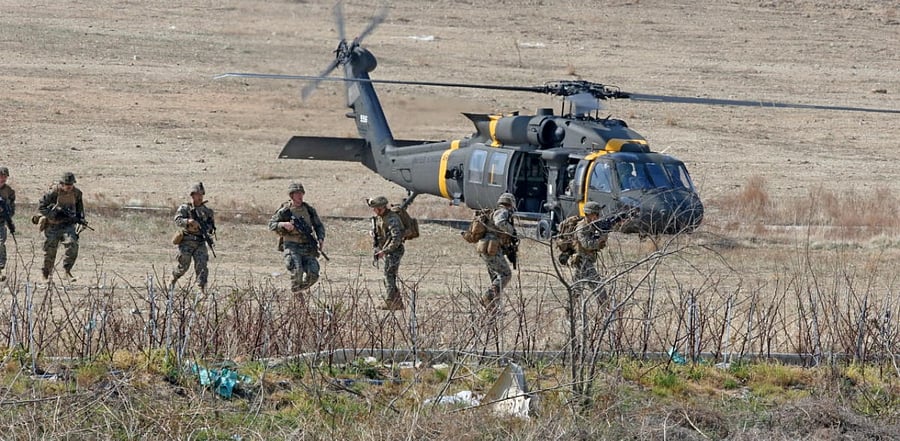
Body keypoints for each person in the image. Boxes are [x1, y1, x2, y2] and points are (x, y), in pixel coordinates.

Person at [269, 182, 325, 294]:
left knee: (313, 274)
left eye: (301, 193)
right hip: (292, 245)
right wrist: (283, 225)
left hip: (307, 246)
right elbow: (271, 224)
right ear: (291, 195)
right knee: (297, 271)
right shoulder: (285, 211)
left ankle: (298, 291)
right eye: (297, 194)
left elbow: (318, 226)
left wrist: (320, 238)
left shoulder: (309, 210)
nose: (300, 196)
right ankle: (297, 297)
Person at [38, 171, 84, 282]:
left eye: (71, 184)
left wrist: (80, 219)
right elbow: (41, 206)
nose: (69, 187)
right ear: (61, 184)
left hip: (68, 225)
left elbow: (80, 209)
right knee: (50, 250)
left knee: (72, 245)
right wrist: (53, 214)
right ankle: (45, 274)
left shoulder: (77, 193)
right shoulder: (53, 192)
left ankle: (67, 271)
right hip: (53, 225)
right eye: (67, 184)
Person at [171, 182, 216, 292]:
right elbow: (177, 220)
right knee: (183, 266)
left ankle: (201, 289)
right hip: (187, 241)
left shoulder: (207, 211)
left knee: (202, 266)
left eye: (201, 195)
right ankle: (173, 279)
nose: (200, 197)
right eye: (198, 194)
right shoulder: (185, 208)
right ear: (192, 195)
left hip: (200, 242)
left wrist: (207, 229)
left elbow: (211, 227)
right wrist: (188, 222)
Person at [478, 192, 518, 311]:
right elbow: (499, 222)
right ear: (511, 204)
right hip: (492, 248)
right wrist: (512, 231)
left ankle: (493, 307)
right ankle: (487, 296)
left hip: (488, 248)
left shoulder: (494, 211)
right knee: (506, 274)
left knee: (495, 278)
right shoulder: (503, 211)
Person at [368, 196, 406, 310]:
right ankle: (397, 302)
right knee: (390, 275)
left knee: (389, 275)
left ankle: (390, 301)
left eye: (375, 208)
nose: (374, 210)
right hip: (388, 250)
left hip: (394, 251)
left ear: (381, 208)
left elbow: (396, 239)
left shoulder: (392, 219)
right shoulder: (380, 217)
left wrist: (384, 251)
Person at [572, 201, 608, 299]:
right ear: (589, 214)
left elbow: (598, 242)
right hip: (583, 261)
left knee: (576, 289)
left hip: (587, 261)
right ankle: (607, 309)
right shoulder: (581, 228)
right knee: (598, 287)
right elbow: (586, 244)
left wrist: (603, 233)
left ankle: (569, 310)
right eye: (596, 214)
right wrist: (600, 240)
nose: (598, 216)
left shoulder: (593, 225)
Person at [0, 166, 15, 282]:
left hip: (1, 222)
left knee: (0, 244)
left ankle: (0, 269)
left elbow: (12, 209)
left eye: (5, 177)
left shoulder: (9, 191)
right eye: (1, 176)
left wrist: (7, 212)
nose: (2, 179)